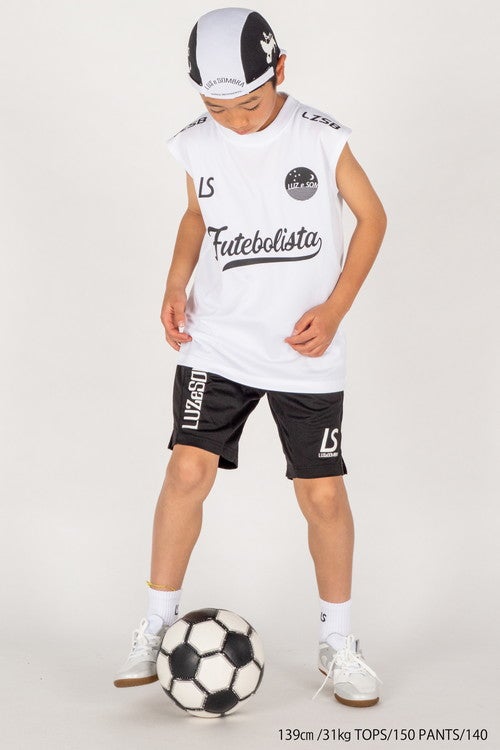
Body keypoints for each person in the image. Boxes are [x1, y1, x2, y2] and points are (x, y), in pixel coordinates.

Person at [114, 7, 387, 707]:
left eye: (251, 105)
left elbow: (373, 216)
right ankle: (156, 624)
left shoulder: (319, 136)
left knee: (322, 494)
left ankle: (338, 642)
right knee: (185, 470)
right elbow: (196, 216)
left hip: (303, 347)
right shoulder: (195, 143)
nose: (235, 121)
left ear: (280, 71)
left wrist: (335, 308)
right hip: (220, 340)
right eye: (217, 107)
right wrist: (175, 283)